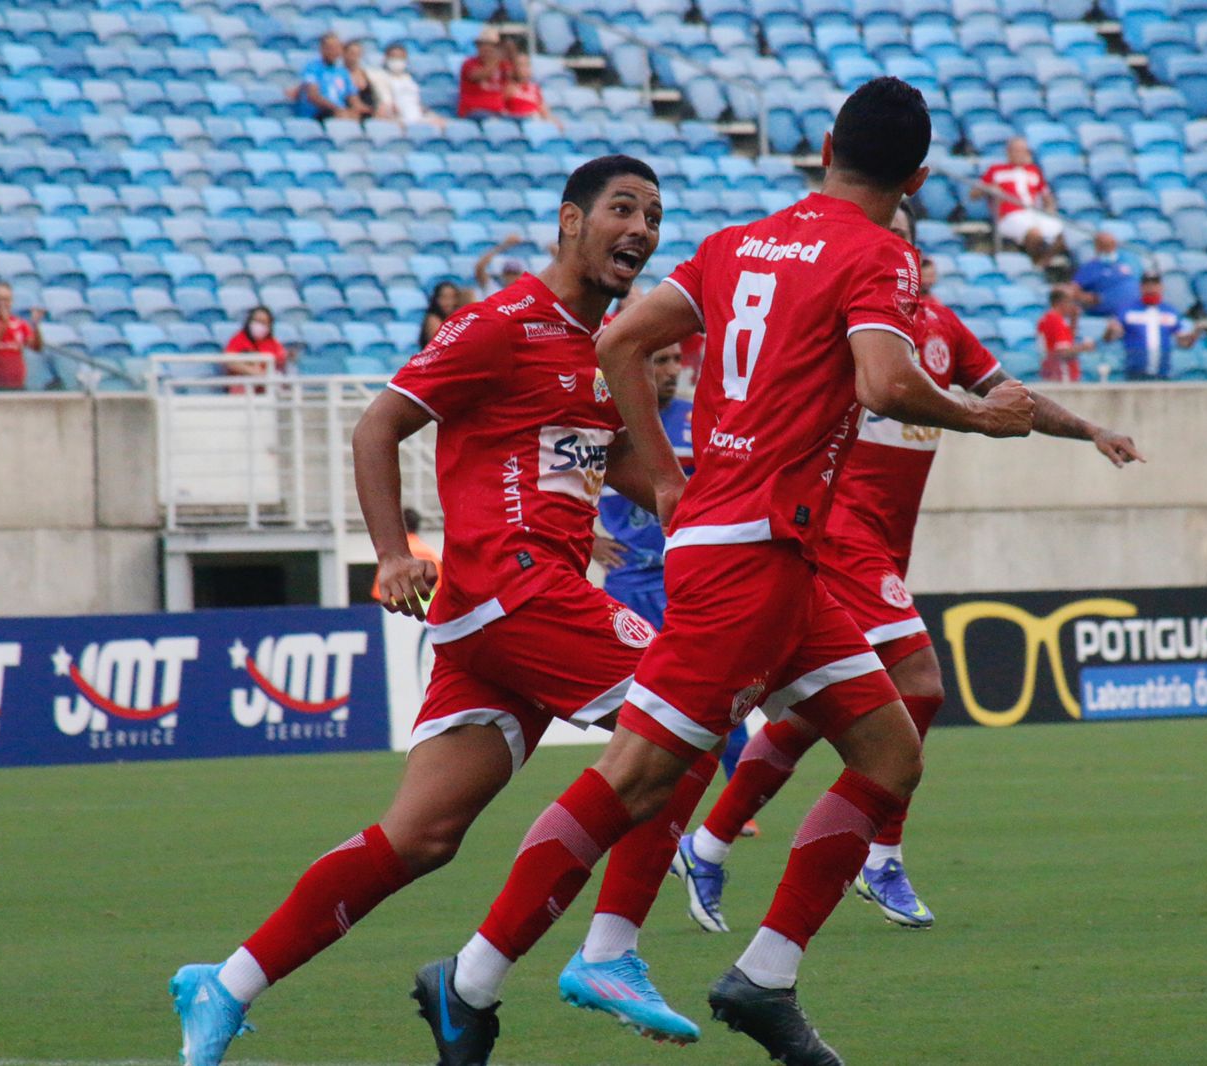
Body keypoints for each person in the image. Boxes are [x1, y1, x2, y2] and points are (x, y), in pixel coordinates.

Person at [415, 77, 1035, 1066]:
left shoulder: (740, 240)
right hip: (749, 556)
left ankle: (764, 978)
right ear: (917, 176)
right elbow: (882, 380)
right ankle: (472, 978)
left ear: (825, 142)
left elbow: (620, 339)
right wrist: (980, 415)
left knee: (889, 751)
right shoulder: (878, 252)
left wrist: (662, 478)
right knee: (637, 773)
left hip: (776, 556)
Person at [168, 156, 718, 1065]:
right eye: (623, 208)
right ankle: (604, 952)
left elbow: (616, 466)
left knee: (420, 837)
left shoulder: (606, 343)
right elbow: (377, 423)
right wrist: (393, 552)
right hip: (511, 588)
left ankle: (224, 984)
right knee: (683, 718)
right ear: (569, 222)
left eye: (656, 215)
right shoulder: (503, 322)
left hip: (510, 610)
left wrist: (719, 488)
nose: (643, 229)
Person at [676, 200, 1139, 934]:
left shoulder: (943, 329)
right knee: (920, 684)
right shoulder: (836, 310)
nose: (895, 257)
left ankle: (705, 845)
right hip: (839, 531)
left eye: (905, 246)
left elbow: (1009, 398)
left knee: (814, 712)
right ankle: (880, 854)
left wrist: (1090, 430)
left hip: (886, 545)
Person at [591, 342, 758, 826]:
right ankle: (644, 801)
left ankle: (734, 809)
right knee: (638, 700)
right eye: (655, 360)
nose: (669, 371)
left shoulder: (698, 419)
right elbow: (566, 477)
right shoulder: (613, 423)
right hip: (628, 582)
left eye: (672, 361)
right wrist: (586, 541)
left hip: (692, 579)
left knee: (721, 693)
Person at [971, 137, 1064, 266]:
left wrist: (1050, 208)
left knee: (1064, 234)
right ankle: (1033, 264)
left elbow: (1046, 195)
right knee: (1034, 234)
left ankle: (1041, 264)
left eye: (1024, 151)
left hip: (1034, 213)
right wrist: (989, 188)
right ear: (1009, 152)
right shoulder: (996, 170)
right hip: (1010, 214)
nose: (1021, 154)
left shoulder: (1034, 171)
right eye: (1017, 151)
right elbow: (974, 194)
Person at [1104, 270, 1201, 381]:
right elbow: (1110, 337)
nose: (1151, 288)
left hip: (1163, 372)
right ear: (1141, 287)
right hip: (1135, 372)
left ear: (1161, 287)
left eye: (1154, 284)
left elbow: (1182, 342)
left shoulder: (1170, 312)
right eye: (1147, 285)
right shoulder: (1128, 311)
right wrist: (1111, 330)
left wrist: (1190, 339)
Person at [370, 508, 442, 603]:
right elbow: (441, 590)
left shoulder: (392, 557)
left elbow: (380, 593)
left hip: (397, 612)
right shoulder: (431, 554)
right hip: (428, 611)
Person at [1071, 231, 1142, 317]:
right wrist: (1087, 297)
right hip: (1106, 316)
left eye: (1111, 244)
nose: (1108, 248)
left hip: (1133, 314)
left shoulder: (1129, 260)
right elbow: (1073, 290)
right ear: (1097, 247)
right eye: (1104, 245)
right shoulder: (1091, 267)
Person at [372, 42, 443, 128]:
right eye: (394, 57)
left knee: (441, 123)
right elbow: (386, 102)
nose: (397, 61)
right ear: (386, 58)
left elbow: (416, 100)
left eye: (401, 58)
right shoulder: (381, 76)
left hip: (416, 115)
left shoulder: (408, 78)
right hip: (398, 117)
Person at [0, 280, 43, 391]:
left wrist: (36, 327)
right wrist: (4, 324)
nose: (1, 303)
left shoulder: (19, 324)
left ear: (11, 301)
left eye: (5, 299)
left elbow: (36, 347)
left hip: (16, 385)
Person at [293, 33, 361, 122]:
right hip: (318, 113)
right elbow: (313, 96)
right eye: (330, 48)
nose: (334, 51)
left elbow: (353, 98)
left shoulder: (342, 72)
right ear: (322, 49)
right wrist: (337, 109)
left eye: (337, 48)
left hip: (340, 112)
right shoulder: (313, 68)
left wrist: (356, 111)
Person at [1037, 285, 1092, 383]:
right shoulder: (1055, 320)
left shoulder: (1048, 318)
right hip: (1061, 375)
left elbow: (1065, 343)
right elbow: (1063, 353)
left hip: (1053, 373)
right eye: (1071, 301)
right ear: (1061, 303)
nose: (1074, 306)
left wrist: (1074, 321)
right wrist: (1084, 347)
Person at [222, 305, 288, 384]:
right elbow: (229, 360)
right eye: (257, 321)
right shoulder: (239, 339)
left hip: (268, 385)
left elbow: (280, 359)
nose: (260, 326)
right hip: (244, 385)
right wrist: (254, 372)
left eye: (264, 323)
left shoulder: (272, 342)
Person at [503, 46, 563, 129]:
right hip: (519, 123)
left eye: (527, 65)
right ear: (513, 68)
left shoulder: (534, 88)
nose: (525, 69)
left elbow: (544, 110)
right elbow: (502, 110)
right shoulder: (509, 87)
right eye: (520, 65)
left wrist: (555, 122)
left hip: (535, 122)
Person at [458, 26, 511, 118]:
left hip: (498, 112)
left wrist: (511, 53)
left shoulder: (503, 65)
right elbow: (479, 75)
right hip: (474, 112)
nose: (488, 49)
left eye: (493, 46)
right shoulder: (469, 64)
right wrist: (495, 61)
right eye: (484, 45)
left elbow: (512, 81)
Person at [342, 39, 378, 119]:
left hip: (369, 111)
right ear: (344, 54)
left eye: (358, 54)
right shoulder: (340, 74)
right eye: (352, 53)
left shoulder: (366, 74)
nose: (354, 57)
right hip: (352, 110)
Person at [419, 281, 461, 348]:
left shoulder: (459, 317)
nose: (448, 302)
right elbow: (440, 345)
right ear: (436, 299)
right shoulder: (432, 319)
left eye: (452, 297)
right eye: (444, 297)